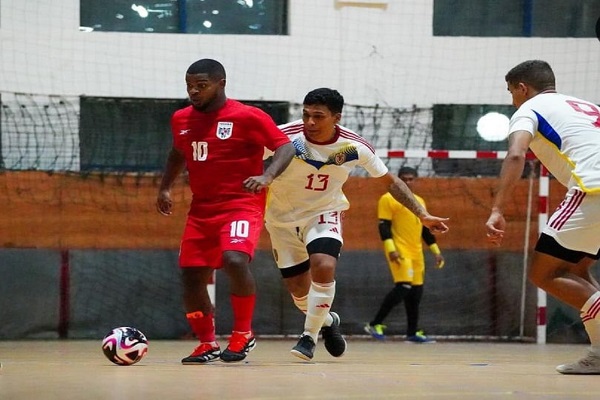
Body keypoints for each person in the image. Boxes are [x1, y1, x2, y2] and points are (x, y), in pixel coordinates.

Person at [264, 88, 450, 361]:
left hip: (324, 213)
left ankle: (308, 338)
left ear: (336, 118)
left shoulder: (355, 147)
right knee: (299, 293)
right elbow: (243, 157)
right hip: (281, 220)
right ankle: (327, 322)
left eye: (318, 116)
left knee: (324, 266)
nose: (310, 122)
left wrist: (422, 214)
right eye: (306, 115)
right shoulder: (282, 135)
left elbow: (391, 182)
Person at [156, 58, 295, 364]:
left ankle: (243, 333)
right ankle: (207, 343)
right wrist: (165, 187)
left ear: (221, 84)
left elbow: (286, 147)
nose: (193, 91)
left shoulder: (248, 116)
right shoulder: (181, 118)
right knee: (191, 275)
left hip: (242, 203)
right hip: (202, 208)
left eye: (201, 85)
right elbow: (178, 151)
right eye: (189, 85)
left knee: (234, 258)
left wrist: (267, 175)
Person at [486, 59, 600, 375]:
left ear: (523, 88)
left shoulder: (528, 110)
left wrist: (497, 209)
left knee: (543, 274)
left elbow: (516, 154)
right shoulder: (584, 104)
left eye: (511, 92)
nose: (512, 100)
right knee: (576, 270)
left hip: (592, 191)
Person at [364, 166, 445, 343]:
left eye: (411, 179)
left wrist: (436, 252)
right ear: (398, 180)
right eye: (404, 179)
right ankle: (374, 323)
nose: (407, 182)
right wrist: (391, 249)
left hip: (417, 252)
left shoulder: (419, 202)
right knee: (403, 287)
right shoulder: (387, 199)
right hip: (399, 250)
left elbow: (426, 230)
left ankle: (412, 332)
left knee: (416, 292)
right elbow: (383, 226)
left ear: (415, 180)